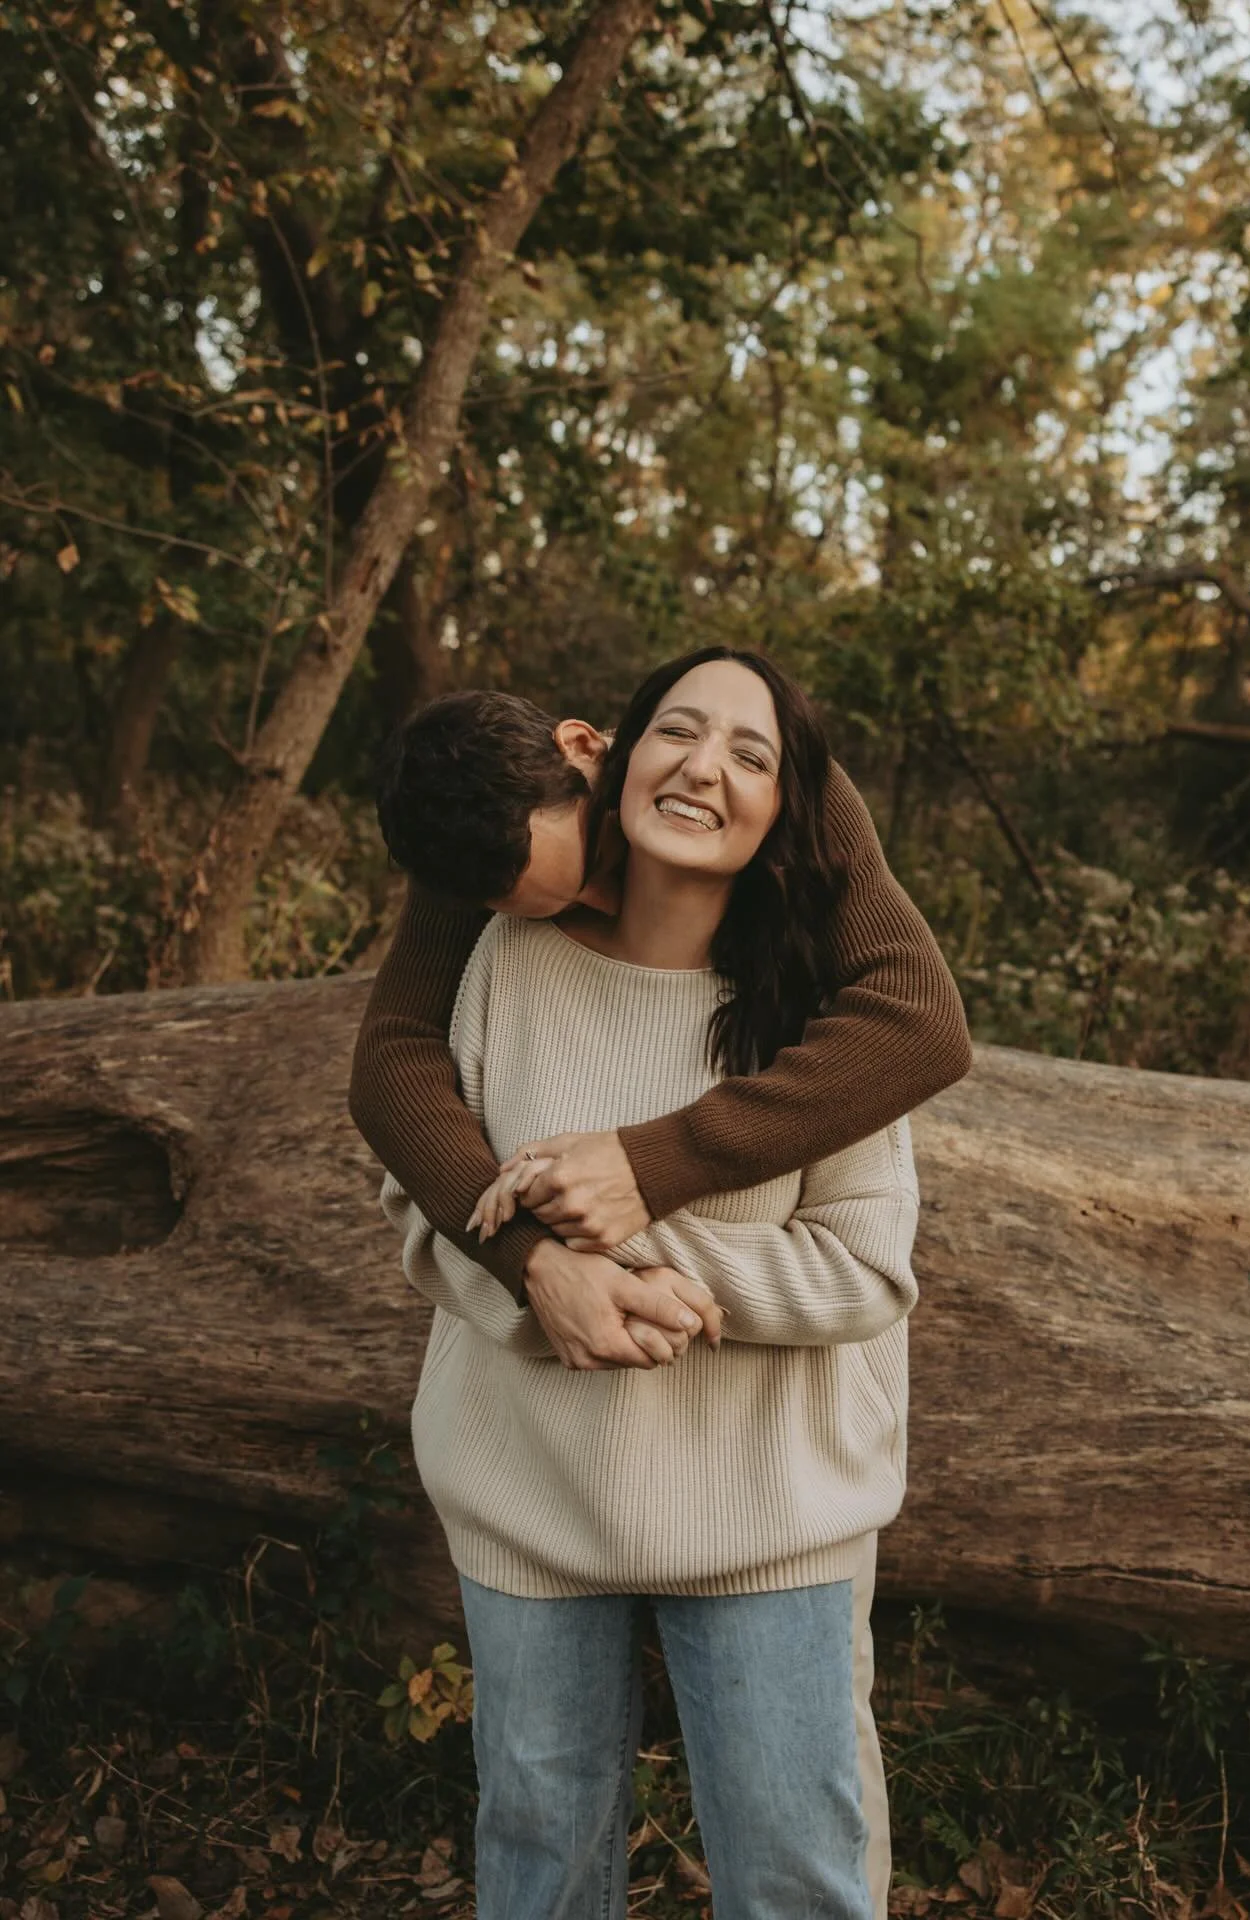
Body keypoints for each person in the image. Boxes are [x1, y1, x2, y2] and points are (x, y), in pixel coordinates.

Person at [350, 660, 972, 1915]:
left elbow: (874, 1229)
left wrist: (649, 1229)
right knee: (539, 1855)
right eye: (542, 899)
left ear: (596, 750)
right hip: (530, 1490)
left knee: (797, 1868)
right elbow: (401, 1107)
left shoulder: (822, 996)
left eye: (743, 756)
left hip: (768, 1508)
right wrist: (537, 1275)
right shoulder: (496, 930)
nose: (583, 898)